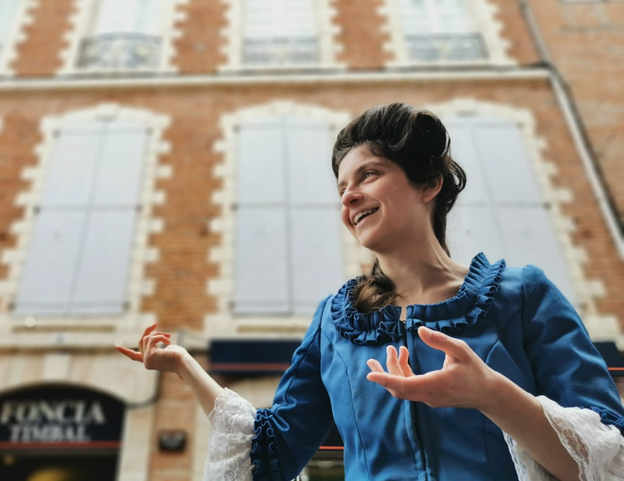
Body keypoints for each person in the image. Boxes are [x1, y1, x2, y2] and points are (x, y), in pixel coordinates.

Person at [118, 103, 624, 480]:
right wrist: (186, 366)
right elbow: (270, 454)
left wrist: (492, 395)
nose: (350, 196)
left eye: (369, 175)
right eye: (342, 188)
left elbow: (606, 459)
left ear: (430, 184)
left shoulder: (522, 295)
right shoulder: (334, 322)